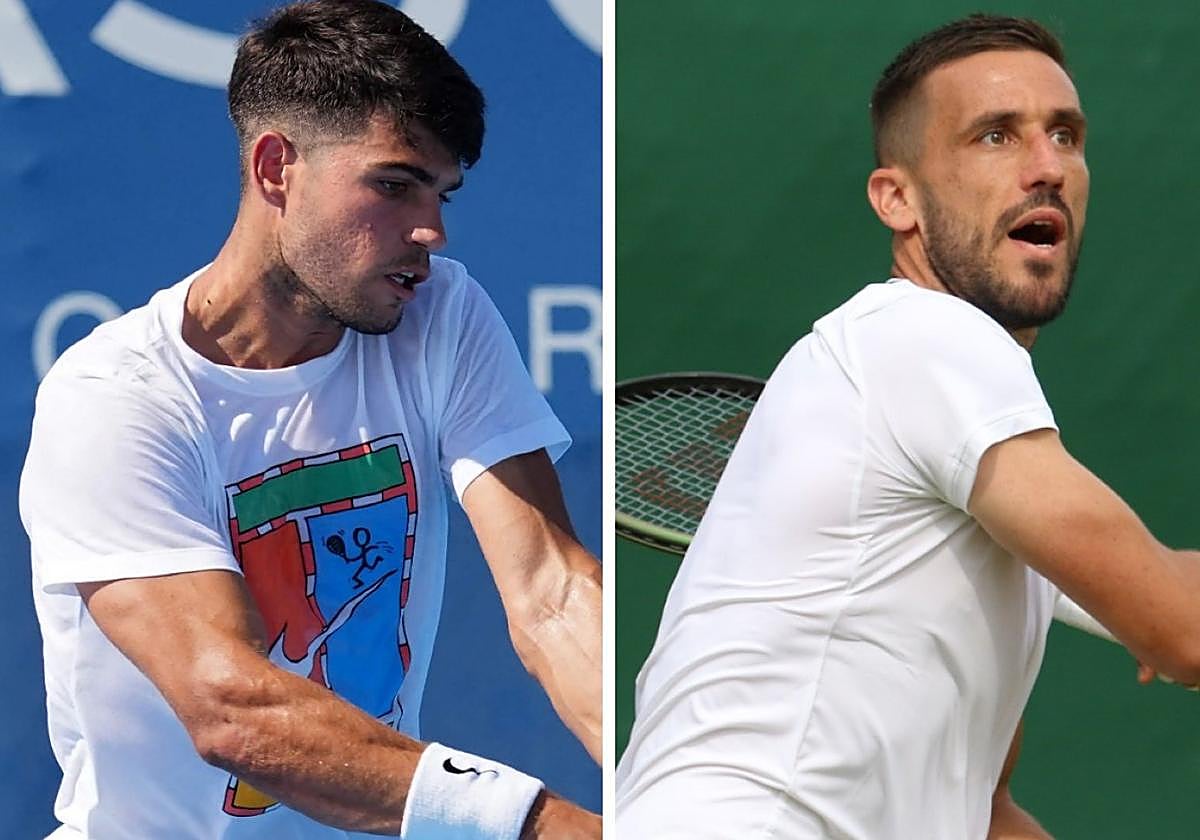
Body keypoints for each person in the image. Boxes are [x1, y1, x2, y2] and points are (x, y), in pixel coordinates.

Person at [20, 1, 600, 837]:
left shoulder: (443, 314)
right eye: (394, 185)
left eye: (440, 192)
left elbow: (550, 590)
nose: (429, 230)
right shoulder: (113, 395)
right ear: (275, 168)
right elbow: (233, 706)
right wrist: (550, 827)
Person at [616, 13, 1200, 839]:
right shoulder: (923, 336)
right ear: (898, 198)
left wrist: (1165, 592)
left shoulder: (972, 477)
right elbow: (1183, 629)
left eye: (1065, 136)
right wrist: (1165, 607)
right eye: (995, 137)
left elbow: (986, 815)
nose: (1048, 169)